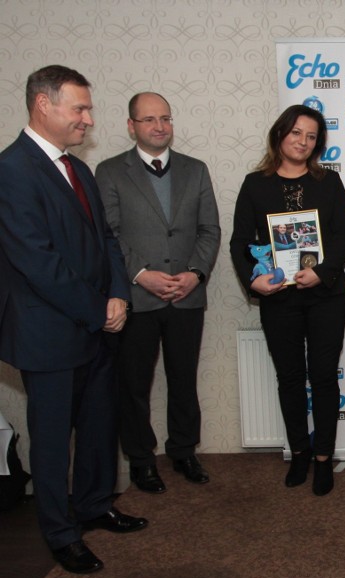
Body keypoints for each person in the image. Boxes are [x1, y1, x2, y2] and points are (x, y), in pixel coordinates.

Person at [0, 65, 147, 574]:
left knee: (99, 425)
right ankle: (61, 534)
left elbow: (105, 241)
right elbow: (37, 261)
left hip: (99, 323)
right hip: (50, 333)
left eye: (88, 109)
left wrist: (117, 295)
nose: (88, 119)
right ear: (44, 105)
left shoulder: (77, 168)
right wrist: (97, 310)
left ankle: (94, 505)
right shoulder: (12, 170)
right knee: (52, 437)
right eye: (79, 108)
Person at [96, 92, 221, 494]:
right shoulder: (111, 171)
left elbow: (209, 230)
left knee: (183, 378)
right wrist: (140, 274)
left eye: (165, 118)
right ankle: (141, 459)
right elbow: (108, 234)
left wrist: (196, 273)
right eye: (149, 119)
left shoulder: (195, 170)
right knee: (134, 383)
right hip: (138, 297)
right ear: (131, 126)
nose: (159, 126)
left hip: (186, 295)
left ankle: (183, 450)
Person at [230, 105, 345, 496]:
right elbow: (239, 242)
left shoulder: (329, 182)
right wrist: (255, 280)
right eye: (296, 133)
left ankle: (323, 457)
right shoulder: (255, 184)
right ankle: (299, 451)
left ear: (318, 144)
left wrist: (323, 271)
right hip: (278, 298)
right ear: (280, 134)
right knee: (289, 378)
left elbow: (343, 235)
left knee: (323, 377)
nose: (302, 142)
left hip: (324, 296)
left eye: (311, 136)